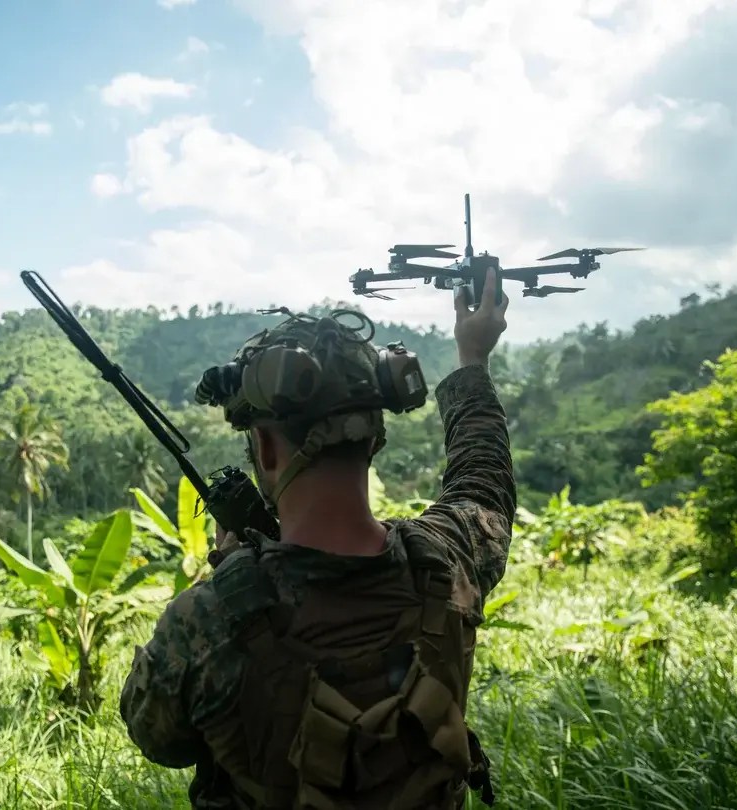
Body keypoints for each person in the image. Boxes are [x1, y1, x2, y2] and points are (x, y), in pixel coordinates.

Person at [120, 267, 516, 809]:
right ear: (374, 435)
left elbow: (157, 737)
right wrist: (473, 359)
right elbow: (483, 482)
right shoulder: (448, 559)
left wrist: (235, 572)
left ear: (264, 448)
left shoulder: (207, 622)